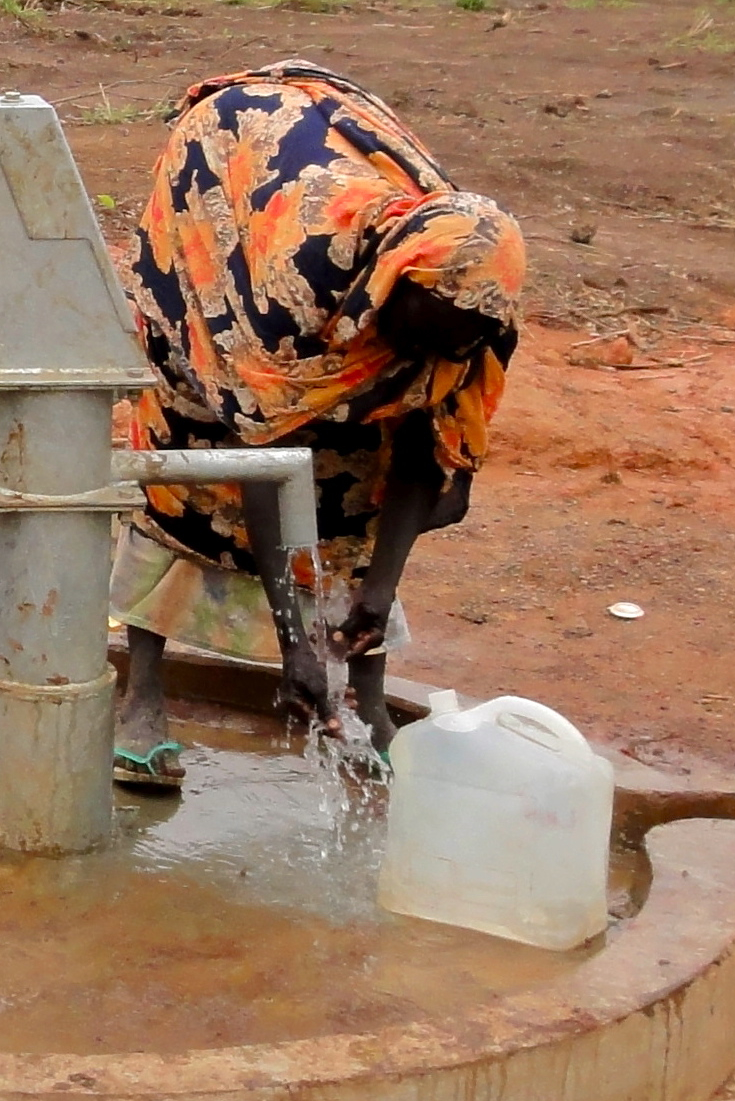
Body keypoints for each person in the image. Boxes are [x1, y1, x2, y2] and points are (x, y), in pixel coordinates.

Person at [108, 61, 523, 789]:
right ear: (389, 283)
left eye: (446, 348)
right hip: (224, 187)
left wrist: (380, 590)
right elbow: (262, 453)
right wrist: (290, 638)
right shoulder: (292, 282)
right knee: (191, 446)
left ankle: (365, 702)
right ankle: (141, 692)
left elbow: (430, 446)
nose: (426, 358)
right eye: (418, 334)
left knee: (367, 461)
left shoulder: (471, 306)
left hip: (331, 255)